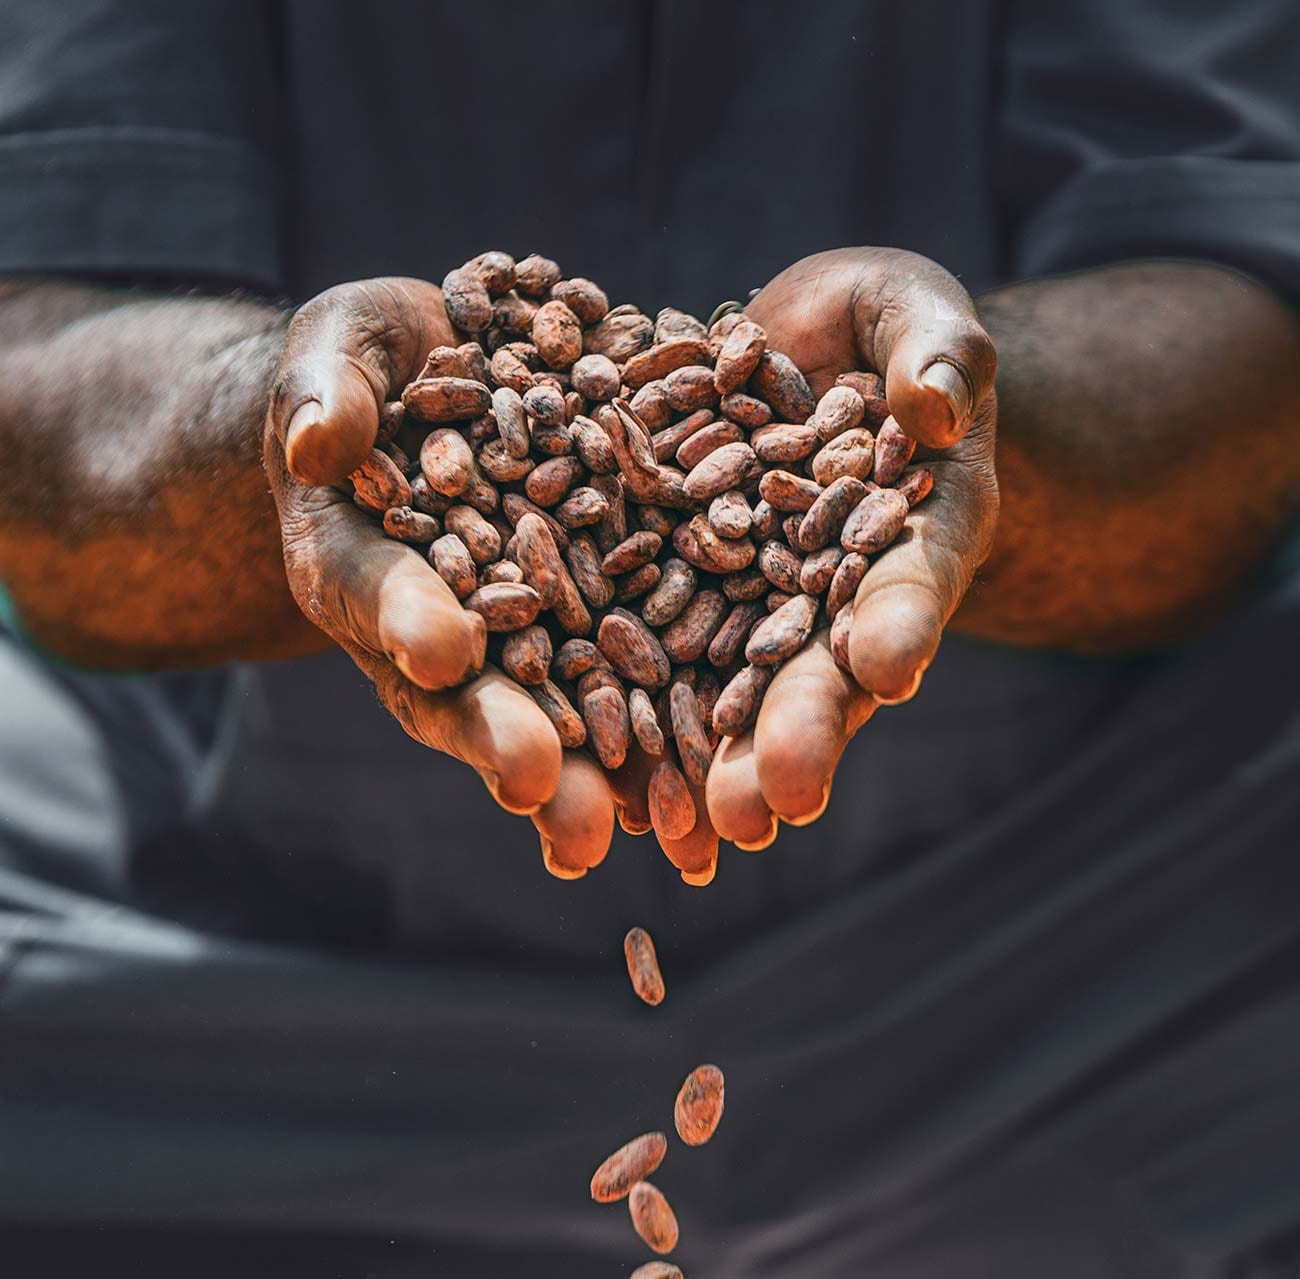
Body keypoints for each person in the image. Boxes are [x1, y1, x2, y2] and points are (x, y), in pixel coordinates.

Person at [2, 2, 1300, 1275]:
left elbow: (1235, 311)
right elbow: (38, 368)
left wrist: (957, 433)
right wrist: (274, 435)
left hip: (1044, 942)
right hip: (271, 962)